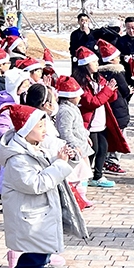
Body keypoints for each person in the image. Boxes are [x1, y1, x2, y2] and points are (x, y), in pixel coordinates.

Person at [0, 103, 81, 268]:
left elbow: (51, 170)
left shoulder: (33, 147)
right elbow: (35, 184)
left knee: (43, 250)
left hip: (40, 211)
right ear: (26, 129)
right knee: (36, 253)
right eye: (40, 126)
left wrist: (66, 159)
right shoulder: (17, 158)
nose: (45, 130)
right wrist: (60, 164)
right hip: (29, 214)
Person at [76, 46, 128, 188]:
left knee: (103, 149)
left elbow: (108, 99)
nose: (98, 64)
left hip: (102, 121)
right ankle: (85, 176)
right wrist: (107, 91)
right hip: (90, 123)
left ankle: (98, 175)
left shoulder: (100, 79)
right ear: (86, 64)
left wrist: (112, 91)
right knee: (93, 150)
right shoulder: (81, 83)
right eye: (94, 62)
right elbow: (93, 102)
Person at [53, 75, 94, 208]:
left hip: (82, 145)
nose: (80, 97)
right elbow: (65, 131)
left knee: (85, 173)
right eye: (78, 95)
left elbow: (78, 127)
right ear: (71, 96)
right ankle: (79, 196)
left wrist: (85, 135)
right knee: (79, 174)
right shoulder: (65, 111)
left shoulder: (73, 108)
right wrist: (74, 146)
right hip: (76, 148)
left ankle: (83, 195)